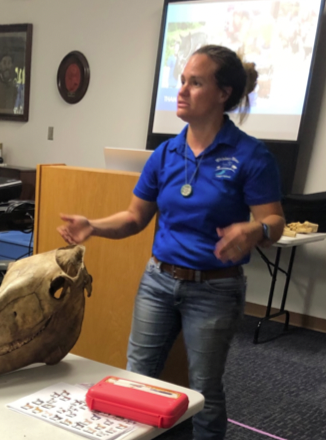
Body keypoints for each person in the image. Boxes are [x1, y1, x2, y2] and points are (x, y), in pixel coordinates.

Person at [57, 45, 285, 440]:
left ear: (223, 93)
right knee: (135, 380)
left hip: (215, 290)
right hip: (158, 283)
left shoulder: (251, 155)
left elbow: (275, 222)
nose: (181, 90)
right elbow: (134, 218)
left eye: (195, 83)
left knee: (204, 392)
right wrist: (92, 225)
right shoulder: (165, 153)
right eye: (182, 81)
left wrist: (255, 231)